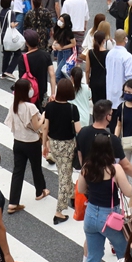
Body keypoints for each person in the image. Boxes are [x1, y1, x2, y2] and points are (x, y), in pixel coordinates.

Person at [80, 133, 132, 262]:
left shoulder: (87, 166)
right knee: (124, 253)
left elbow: (81, 188)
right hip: (110, 217)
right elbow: (128, 192)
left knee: (93, 256)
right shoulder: (114, 169)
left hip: (90, 214)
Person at [43, 77, 82, 224]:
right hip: (67, 145)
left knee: (63, 171)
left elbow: (45, 127)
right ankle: (59, 211)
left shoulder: (50, 106)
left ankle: (72, 195)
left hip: (54, 144)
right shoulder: (72, 109)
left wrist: (44, 144)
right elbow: (78, 130)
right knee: (64, 177)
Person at [5, 77, 47, 213]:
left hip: (18, 142)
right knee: (36, 168)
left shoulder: (14, 106)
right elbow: (36, 126)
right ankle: (40, 192)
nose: (31, 90)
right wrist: (43, 117)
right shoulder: (31, 107)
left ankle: (13, 202)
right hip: (32, 142)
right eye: (30, 88)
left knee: (18, 171)